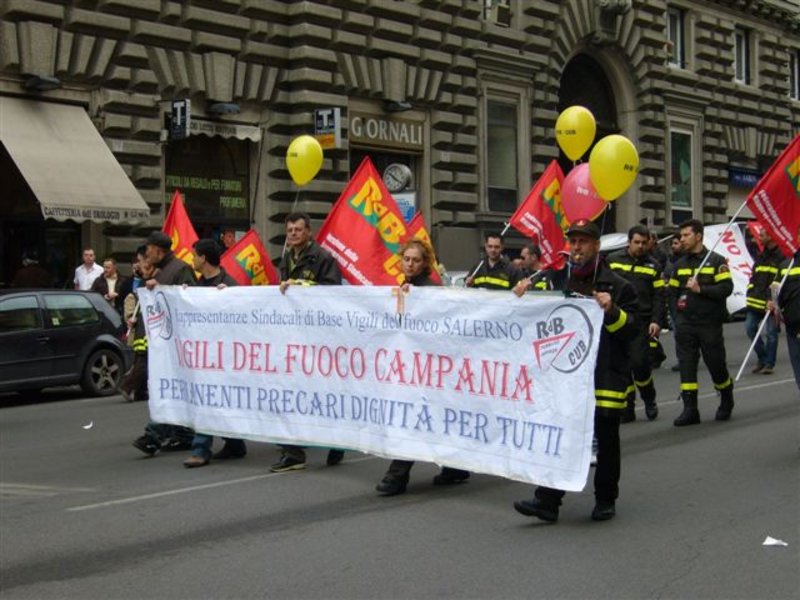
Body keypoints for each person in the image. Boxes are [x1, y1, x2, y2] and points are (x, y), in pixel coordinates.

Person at [513, 218, 637, 522]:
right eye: (573, 241)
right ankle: (548, 500)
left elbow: (632, 330)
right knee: (562, 435)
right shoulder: (557, 281)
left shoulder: (619, 286)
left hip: (605, 374)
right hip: (566, 376)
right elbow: (535, 317)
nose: (577, 247)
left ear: (596, 246)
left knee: (606, 440)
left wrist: (613, 311)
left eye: (583, 241)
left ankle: (605, 499)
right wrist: (522, 294)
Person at [375, 239, 471, 496]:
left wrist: (415, 301)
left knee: (414, 417)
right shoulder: (404, 287)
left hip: (429, 367)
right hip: (412, 366)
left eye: (416, 260)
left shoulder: (430, 290)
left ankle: (397, 475)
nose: (410, 264)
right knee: (430, 417)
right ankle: (456, 467)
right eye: (406, 259)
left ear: (425, 263)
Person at [272, 212, 345, 472]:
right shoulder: (285, 258)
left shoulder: (323, 258)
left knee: (322, 392)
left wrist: (301, 284)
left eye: (298, 229)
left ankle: (338, 439)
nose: (293, 233)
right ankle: (293, 451)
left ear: (309, 232)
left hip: (319, 337)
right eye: (290, 230)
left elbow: (333, 293)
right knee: (290, 390)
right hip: (294, 335)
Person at [183, 239, 248, 468]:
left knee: (213, 400)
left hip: (225, 356)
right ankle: (234, 444)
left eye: (194, 255)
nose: (192, 260)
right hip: (204, 356)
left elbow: (244, 317)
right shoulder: (197, 286)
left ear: (203, 258)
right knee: (211, 399)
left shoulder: (229, 285)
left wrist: (229, 298)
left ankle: (201, 450)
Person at [132, 231, 197, 456]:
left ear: (158, 250)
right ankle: (183, 435)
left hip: (178, 343)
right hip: (164, 342)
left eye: (149, 250)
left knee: (167, 389)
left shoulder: (180, 269)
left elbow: (191, 299)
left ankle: (153, 435)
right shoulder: (161, 270)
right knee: (170, 390)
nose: (147, 255)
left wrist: (162, 288)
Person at [669, 219, 734, 426]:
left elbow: (726, 288)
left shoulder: (716, 261)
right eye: (681, 235)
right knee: (687, 365)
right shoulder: (678, 265)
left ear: (698, 236)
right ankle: (690, 409)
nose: (682, 239)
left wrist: (701, 290)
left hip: (709, 323)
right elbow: (671, 293)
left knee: (715, 364)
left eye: (686, 235)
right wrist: (676, 318)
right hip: (685, 323)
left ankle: (726, 397)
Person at [608, 225, 665, 422]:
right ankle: (628, 406)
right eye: (637, 242)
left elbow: (659, 296)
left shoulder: (654, 266)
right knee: (621, 366)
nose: (640, 246)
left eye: (644, 243)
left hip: (640, 321)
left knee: (639, 364)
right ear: (629, 242)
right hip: (617, 319)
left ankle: (649, 399)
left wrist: (656, 321)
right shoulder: (613, 260)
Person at [745, 227, 783, 375]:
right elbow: (753, 278)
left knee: (772, 334)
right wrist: (750, 292)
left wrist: (773, 300)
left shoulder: (781, 257)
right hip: (755, 302)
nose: (758, 238)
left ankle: (769, 364)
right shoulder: (761, 256)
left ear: (771, 236)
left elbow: (780, 281)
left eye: (761, 235)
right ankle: (763, 357)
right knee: (750, 328)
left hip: (772, 303)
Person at [120, 247, 149, 403]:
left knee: (142, 360)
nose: (139, 265)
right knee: (142, 361)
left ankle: (140, 392)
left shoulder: (144, 281)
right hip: (143, 331)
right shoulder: (141, 285)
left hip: (142, 330)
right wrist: (132, 318)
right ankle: (127, 386)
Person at [773, 228, 800, 391]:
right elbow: (776, 292)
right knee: (797, 363)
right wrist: (773, 302)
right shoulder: (785, 266)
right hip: (793, 325)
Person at [663, 235, 684, 371]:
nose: (673, 246)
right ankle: (682, 359)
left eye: (676, 243)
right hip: (673, 301)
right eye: (672, 243)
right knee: (678, 333)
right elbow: (666, 277)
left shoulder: (686, 261)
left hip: (685, 301)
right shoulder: (670, 261)